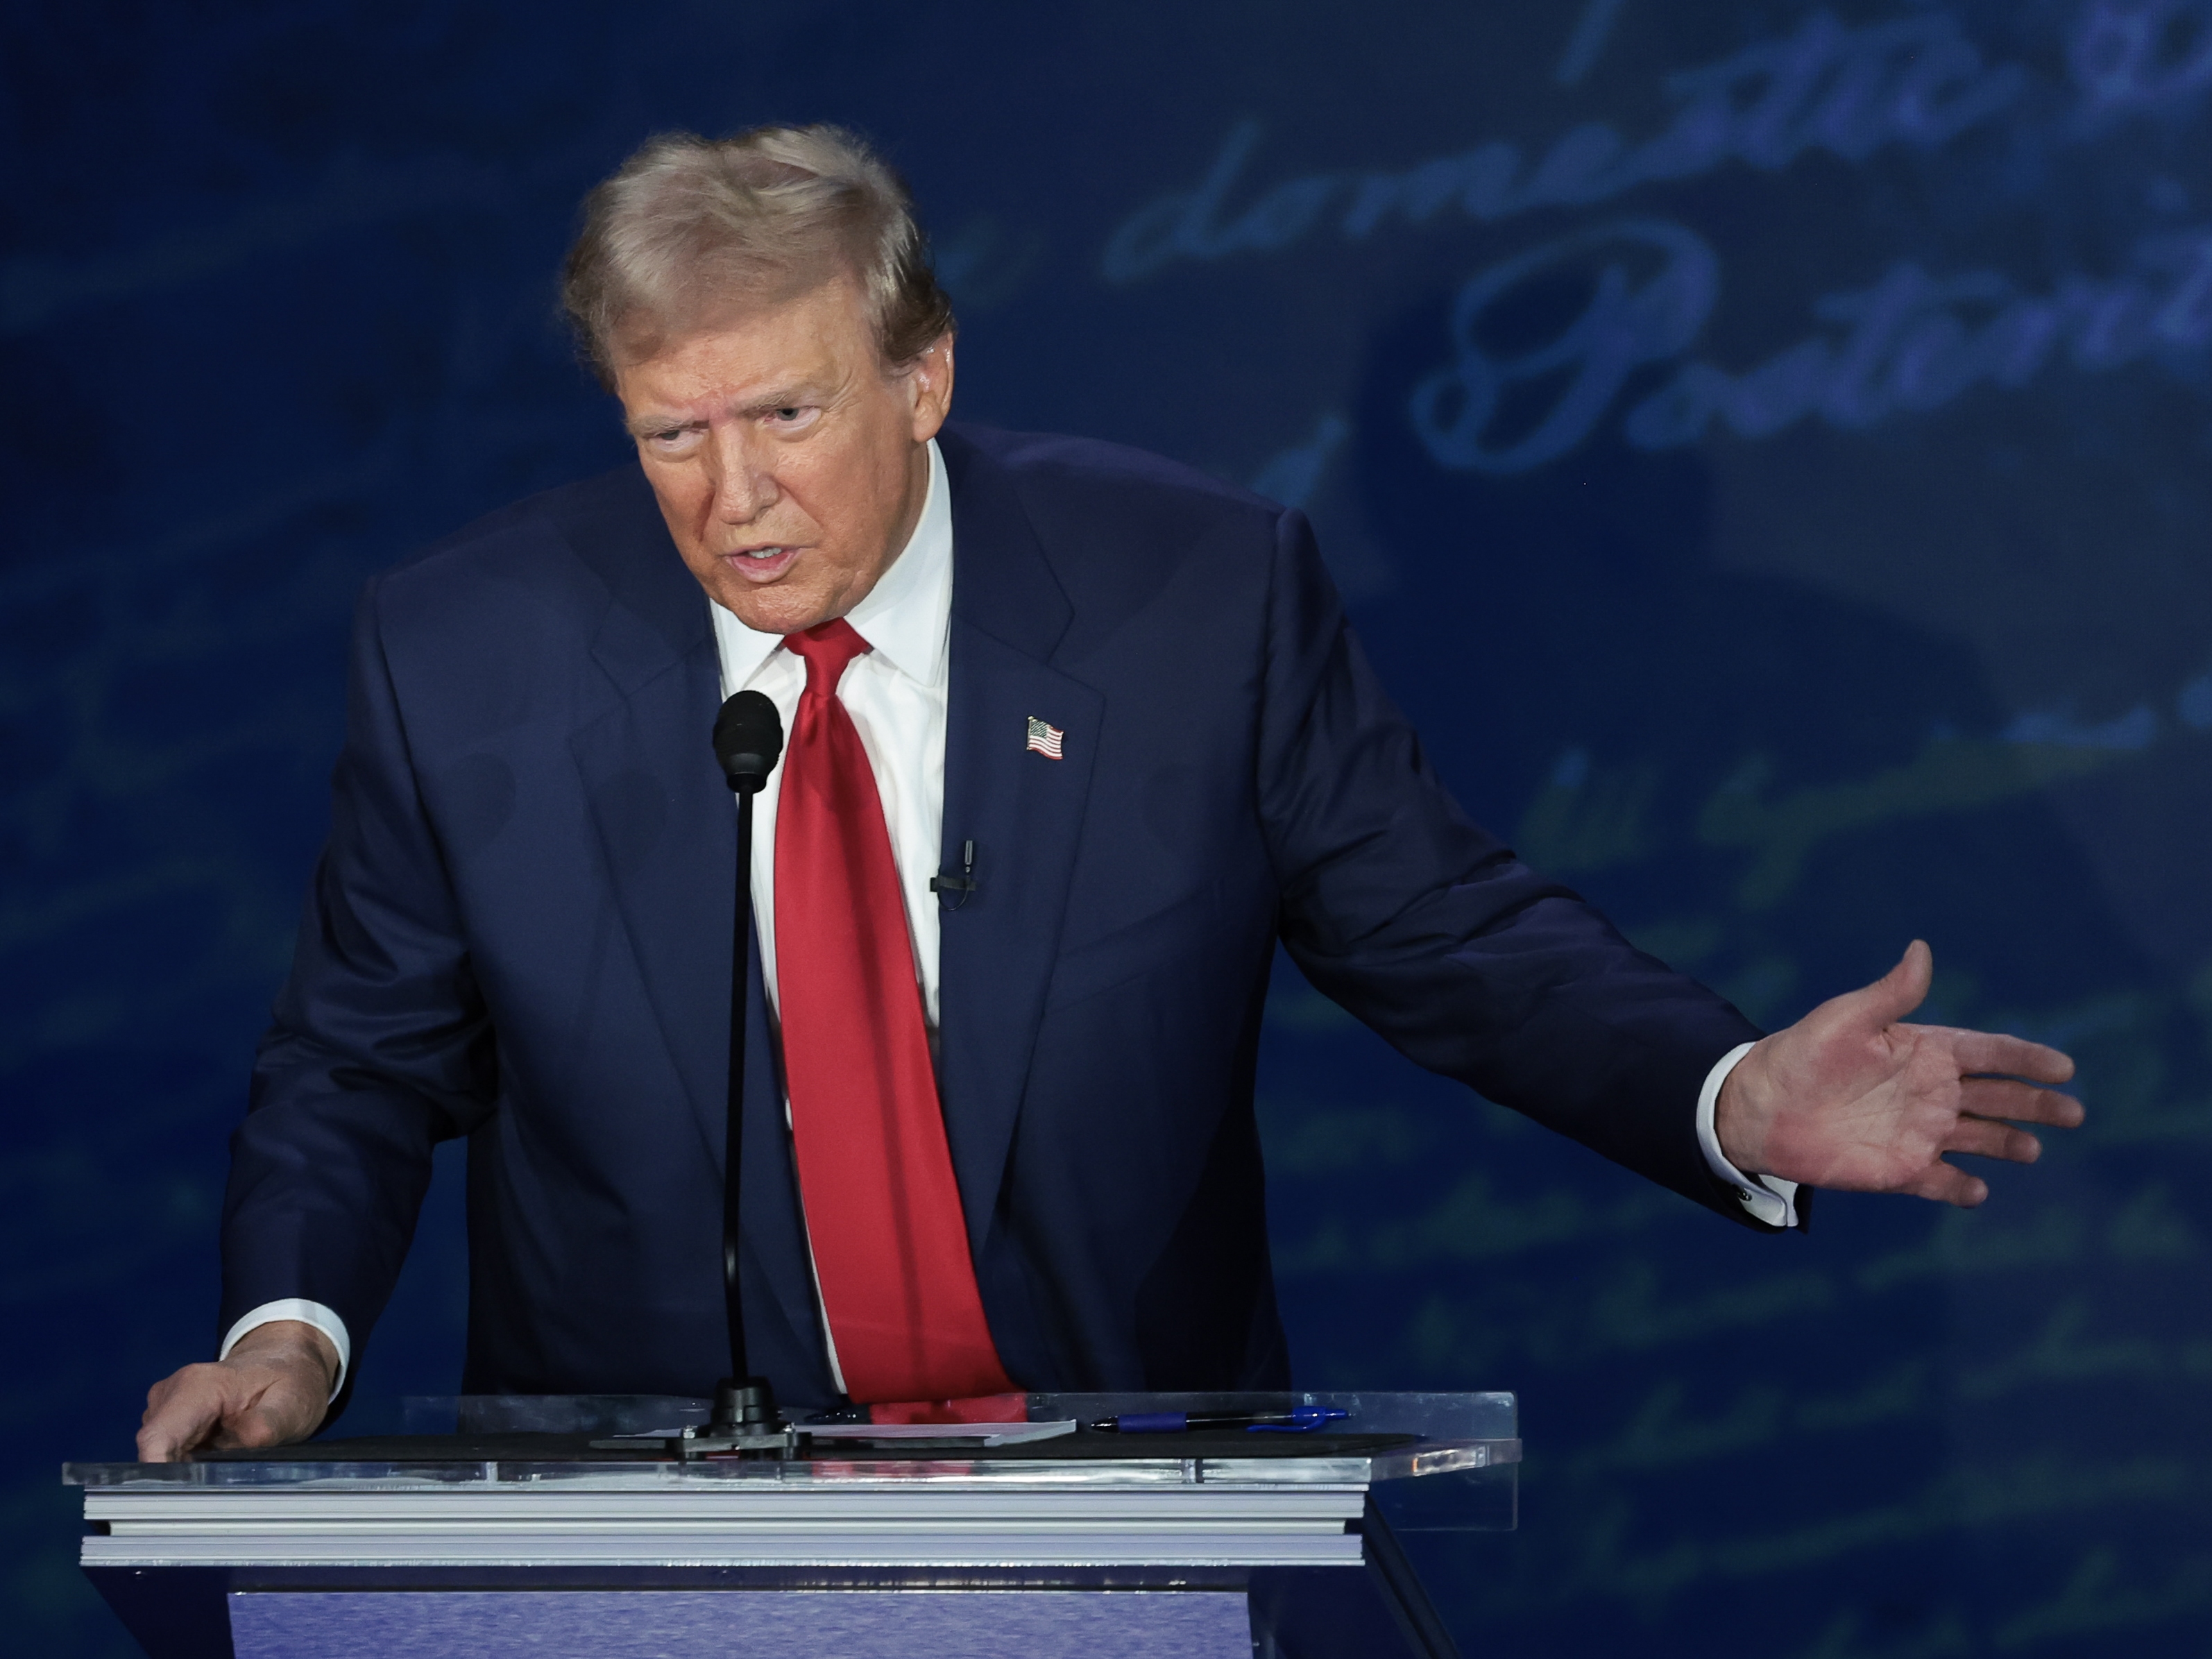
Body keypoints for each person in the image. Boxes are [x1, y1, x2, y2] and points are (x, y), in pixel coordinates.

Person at [137, 126, 2081, 1460]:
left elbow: (1440, 934)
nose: (730, 501)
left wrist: (1724, 1091)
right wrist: (287, 1338)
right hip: (644, 1514)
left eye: (788, 415)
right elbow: (361, 1058)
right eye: (672, 434)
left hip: (1122, 1488)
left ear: (923, 375)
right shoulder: (461, 649)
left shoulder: (1193, 597)